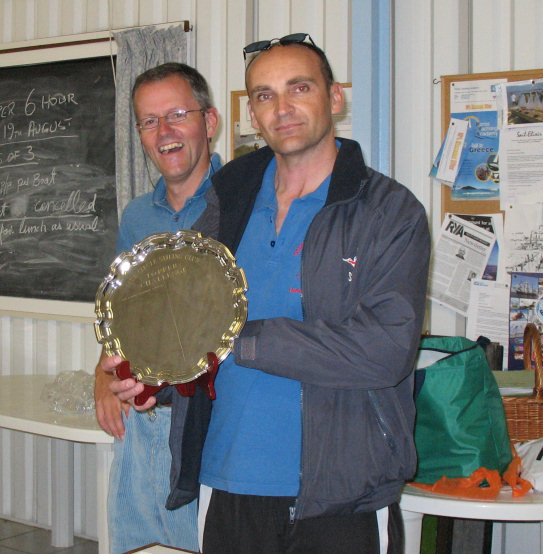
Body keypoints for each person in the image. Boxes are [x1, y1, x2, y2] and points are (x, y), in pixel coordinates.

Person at [112, 34, 430, 553]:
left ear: (334, 98)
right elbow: (195, 335)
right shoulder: (227, 202)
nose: (281, 108)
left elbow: (386, 352)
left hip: (341, 493)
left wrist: (244, 340)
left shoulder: (388, 212)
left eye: (298, 88)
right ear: (252, 115)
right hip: (227, 480)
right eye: (263, 95)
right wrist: (159, 375)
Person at [94, 61, 220, 554]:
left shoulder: (246, 203)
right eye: (149, 121)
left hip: (210, 424)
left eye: (176, 114)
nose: (163, 132)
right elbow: (121, 311)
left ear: (208, 123)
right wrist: (102, 376)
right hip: (145, 426)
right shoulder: (137, 216)